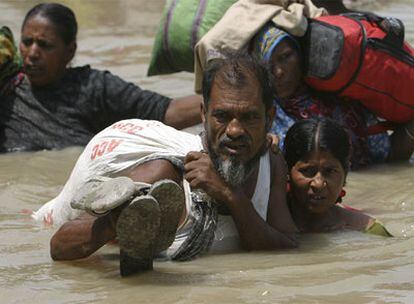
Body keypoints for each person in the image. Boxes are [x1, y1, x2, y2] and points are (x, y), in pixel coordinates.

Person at [32, 52, 298, 276]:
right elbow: (59, 248)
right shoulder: (166, 174)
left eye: (250, 117)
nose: (235, 130)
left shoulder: (270, 162)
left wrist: (230, 195)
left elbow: (286, 249)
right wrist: (118, 220)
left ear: (270, 117)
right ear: (204, 114)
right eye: (222, 116)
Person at [0, 3, 202, 153]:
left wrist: (223, 98)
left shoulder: (93, 88)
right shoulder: (7, 90)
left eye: (45, 45)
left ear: (70, 51)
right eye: (27, 42)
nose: (33, 53)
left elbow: (167, 112)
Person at [253, 23, 414, 169]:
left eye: (286, 57)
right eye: (268, 64)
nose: (279, 72)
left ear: (300, 55)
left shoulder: (335, 89)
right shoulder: (265, 114)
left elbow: (388, 155)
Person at [284, 117, 392, 236]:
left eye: (329, 171)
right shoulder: (265, 220)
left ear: (345, 173)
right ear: (286, 171)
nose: (318, 184)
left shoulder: (367, 231)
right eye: (308, 171)